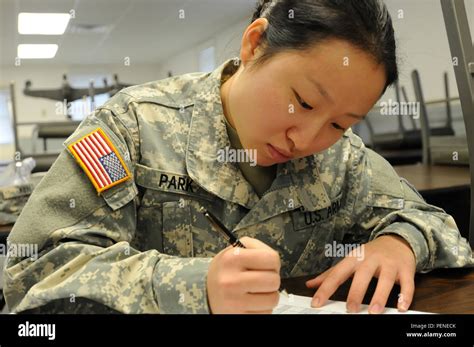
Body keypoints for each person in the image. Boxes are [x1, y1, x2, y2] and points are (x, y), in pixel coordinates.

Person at [3, 0, 473, 314]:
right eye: (304, 103)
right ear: (254, 44)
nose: (305, 138)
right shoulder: (134, 126)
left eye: (340, 123)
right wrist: (194, 286)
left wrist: (400, 242)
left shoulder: (343, 159)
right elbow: (32, 272)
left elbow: (433, 221)